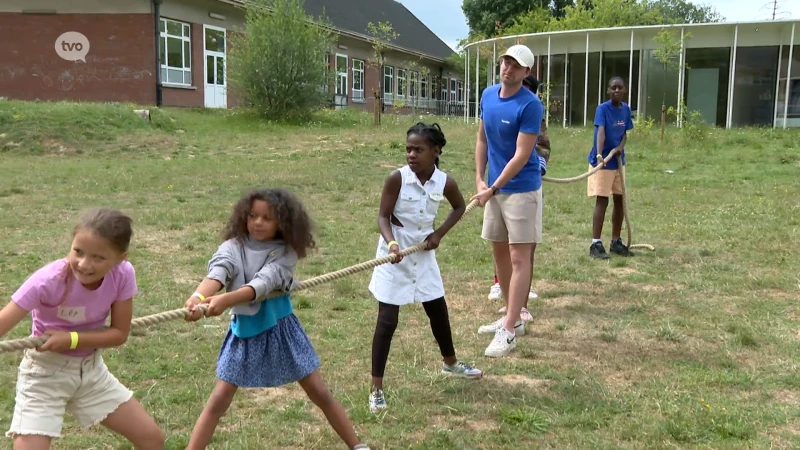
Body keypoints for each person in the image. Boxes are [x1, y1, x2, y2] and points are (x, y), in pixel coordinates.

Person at [183, 188, 370, 450]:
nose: (257, 222)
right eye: (252, 216)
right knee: (219, 400)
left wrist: (226, 300)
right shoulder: (233, 246)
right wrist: (199, 298)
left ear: (283, 222)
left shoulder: (285, 252)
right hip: (245, 331)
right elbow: (219, 271)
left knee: (318, 391)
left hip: (281, 329)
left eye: (267, 218)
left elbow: (264, 282)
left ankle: (357, 446)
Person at [0, 208, 166, 449]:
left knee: (152, 439)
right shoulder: (47, 281)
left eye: (99, 257)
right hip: (44, 374)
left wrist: (71, 339)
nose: (85, 264)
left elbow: (119, 334)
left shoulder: (123, 275)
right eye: (78, 252)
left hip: (91, 372)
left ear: (121, 258)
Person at [367, 122, 483, 413]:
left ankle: (450, 364)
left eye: (418, 149)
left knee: (437, 309)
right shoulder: (397, 179)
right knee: (387, 321)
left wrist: (438, 234)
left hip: (423, 253)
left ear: (436, 151)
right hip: (395, 253)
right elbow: (382, 217)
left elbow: (458, 207)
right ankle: (376, 387)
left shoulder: (445, 182)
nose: (411, 155)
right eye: (408, 149)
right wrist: (392, 244)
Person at [472, 44, 543, 358]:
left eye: (516, 65)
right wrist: (478, 178)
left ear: (526, 72)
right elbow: (482, 139)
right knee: (499, 249)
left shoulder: (530, 105)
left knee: (519, 256)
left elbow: (521, 155)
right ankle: (509, 316)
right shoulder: (488, 95)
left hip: (521, 189)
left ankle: (511, 327)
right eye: (505, 62)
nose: (508, 68)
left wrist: (493, 188)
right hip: (494, 190)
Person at [487, 75, 551, 324]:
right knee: (501, 245)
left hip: (525, 184)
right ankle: (503, 291)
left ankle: (520, 306)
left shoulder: (533, 110)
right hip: (498, 186)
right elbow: (487, 139)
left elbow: (542, 146)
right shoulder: (494, 100)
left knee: (523, 248)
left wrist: (538, 166)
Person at [587, 76, 634, 260]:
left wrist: (621, 147)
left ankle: (616, 241)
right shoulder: (602, 109)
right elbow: (601, 131)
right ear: (608, 90)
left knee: (620, 200)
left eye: (619, 88)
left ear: (624, 90)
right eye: (613, 88)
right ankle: (595, 243)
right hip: (603, 162)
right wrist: (600, 155)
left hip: (618, 162)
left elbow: (624, 134)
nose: (616, 90)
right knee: (602, 201)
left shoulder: (625, 109)